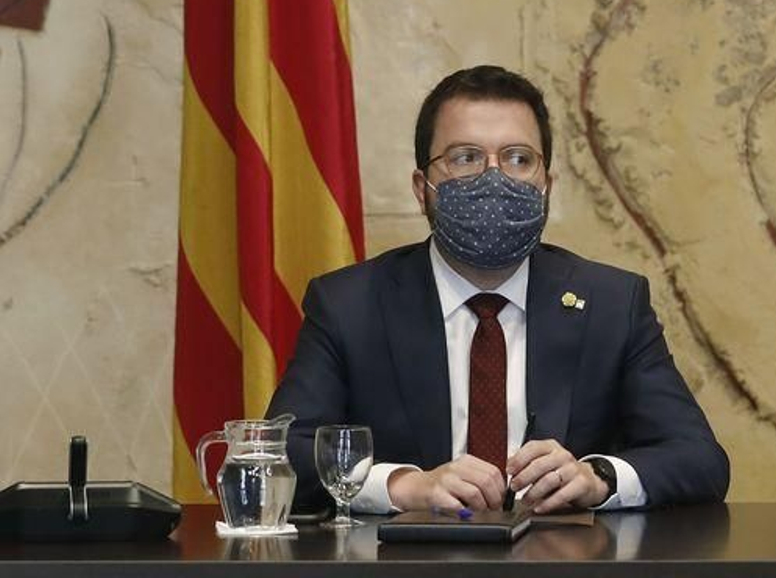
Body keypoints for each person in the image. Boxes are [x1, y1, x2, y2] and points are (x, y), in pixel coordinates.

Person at [267, 65, 729, 514]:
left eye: (518, 159)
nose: (494, 178)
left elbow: (699, 459)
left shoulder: (613, 303)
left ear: (546, 186)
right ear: (421, 188)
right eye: (465, 157)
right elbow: (282, 454)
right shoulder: (349, 306)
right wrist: (404, 485)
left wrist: (597, 478)